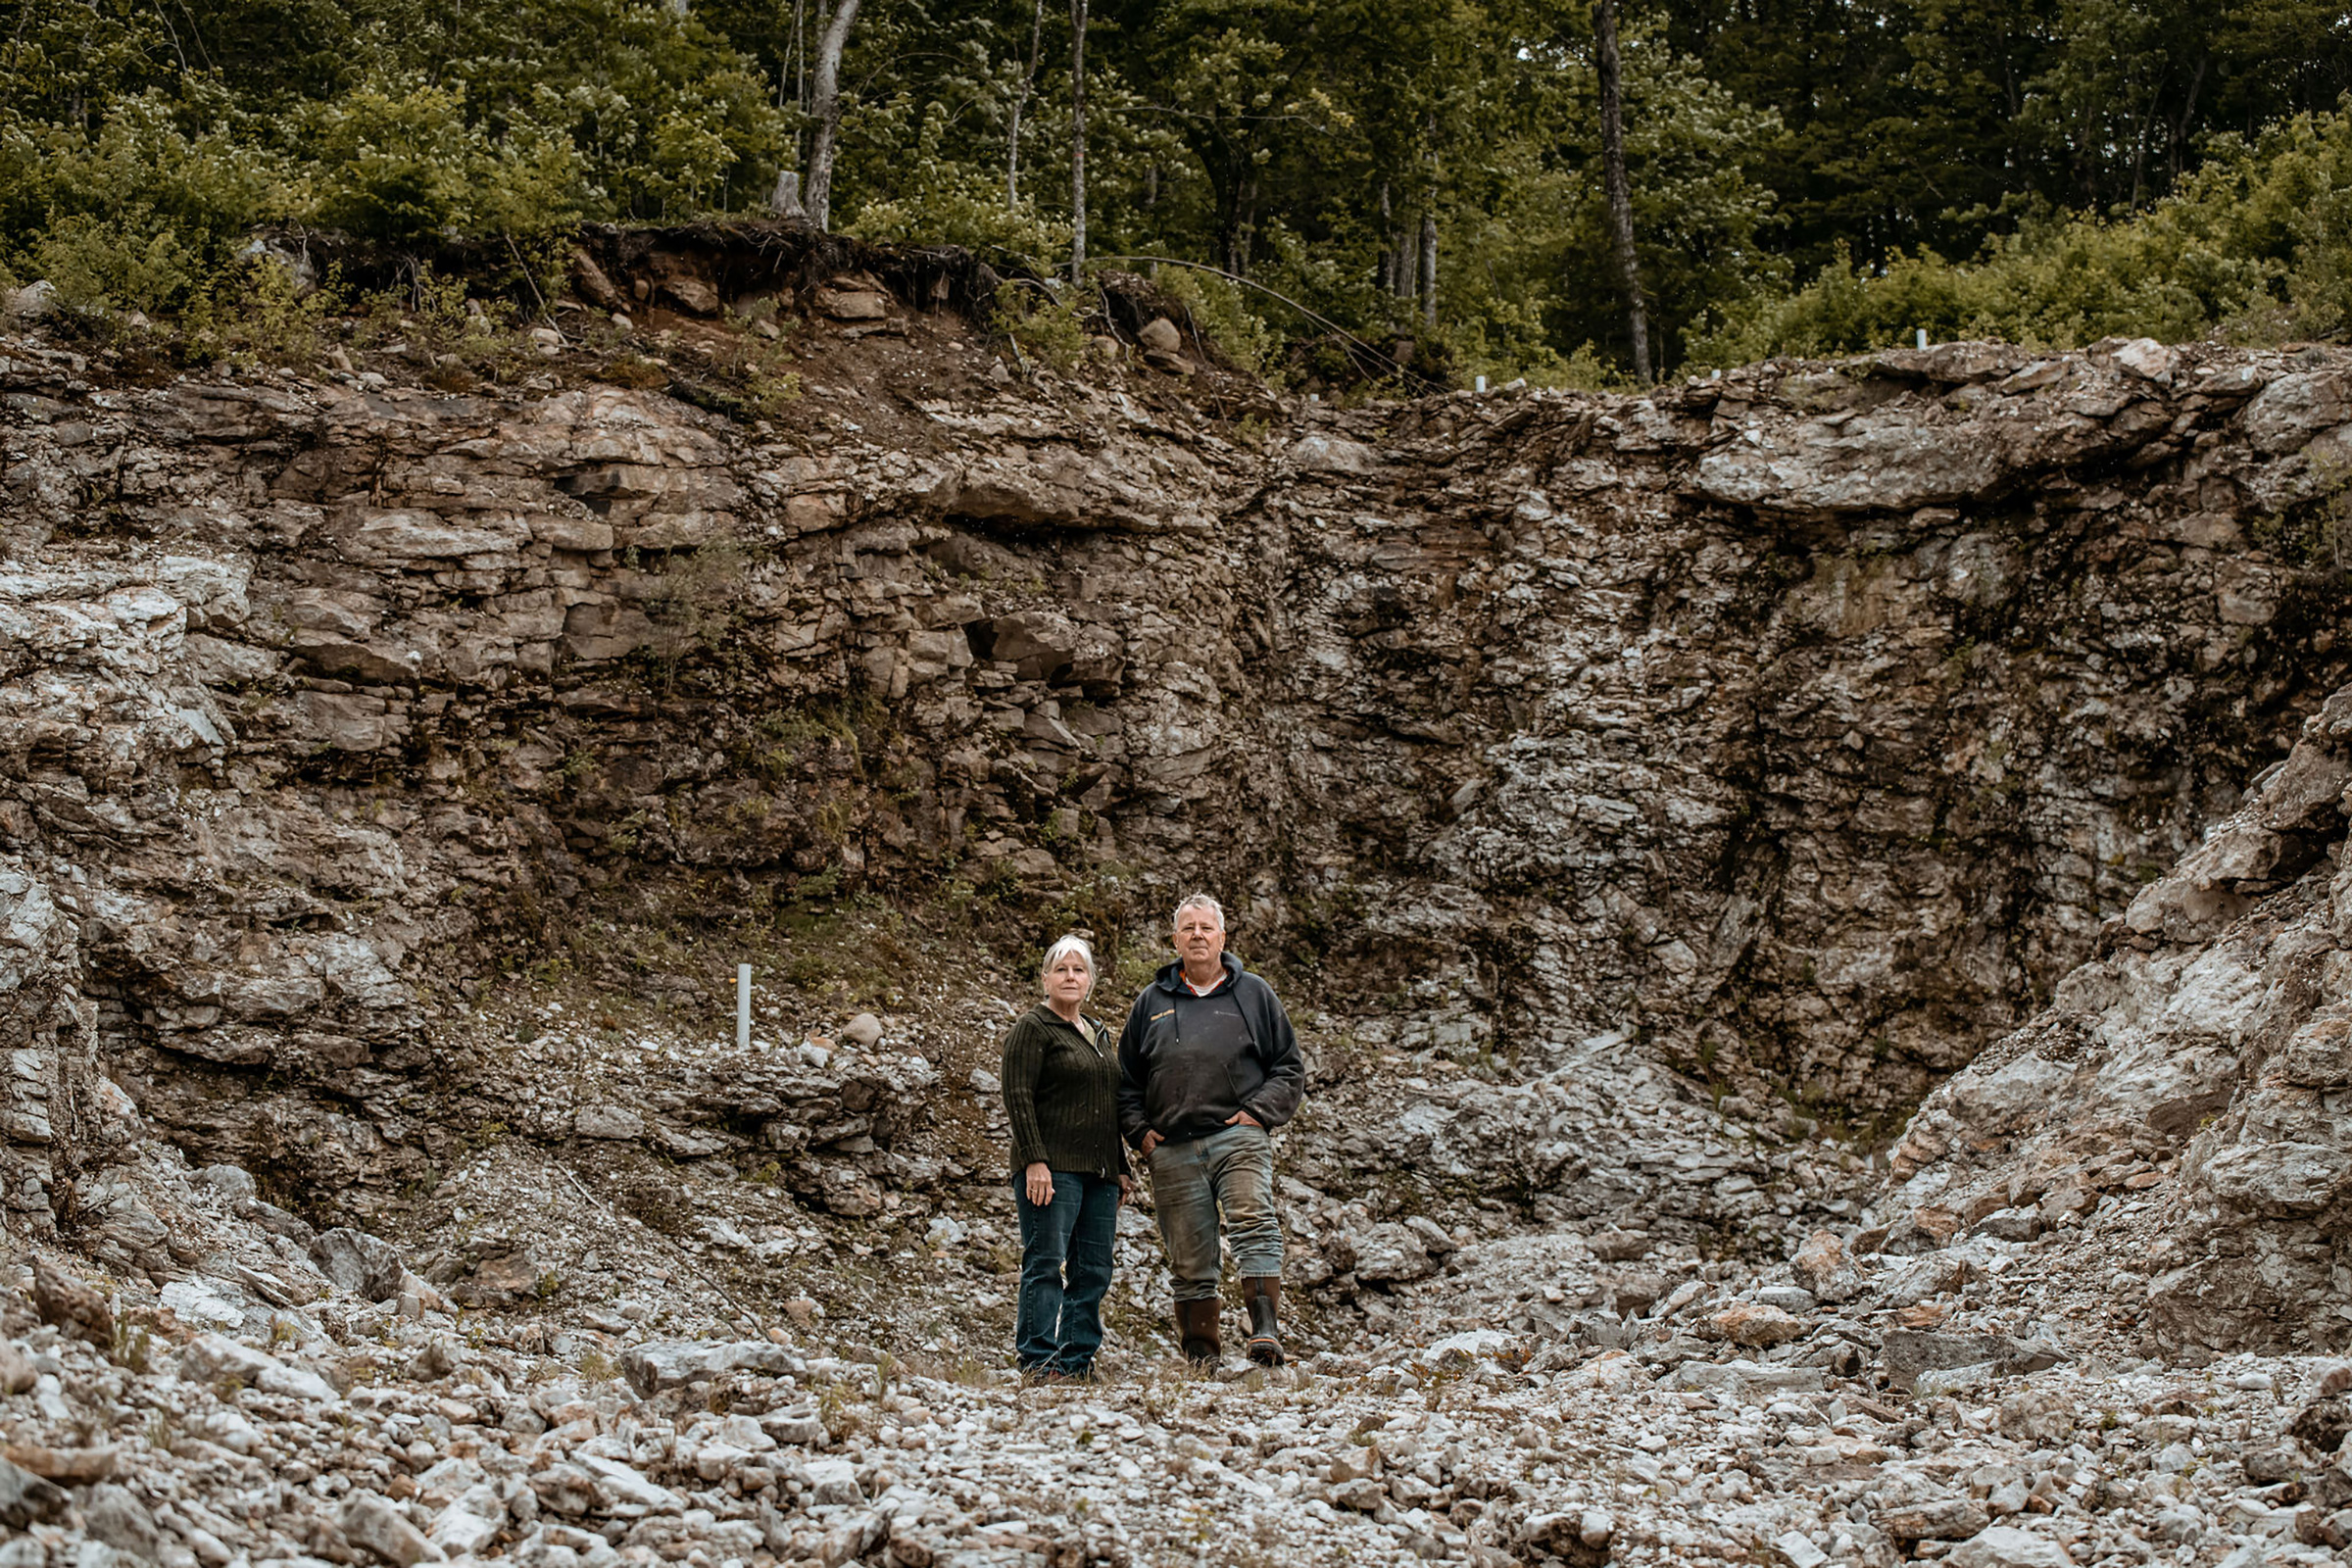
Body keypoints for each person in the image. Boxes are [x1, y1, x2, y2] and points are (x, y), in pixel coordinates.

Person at [1116, 893, 1306, 1367]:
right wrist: (1141, 1133)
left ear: (1222, 936)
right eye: (1188, 928)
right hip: (1173, 1148)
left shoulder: (1254, 994)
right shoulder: (1151, 1002)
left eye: (1206, 927)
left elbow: (1288, 1067)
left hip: (1237, 1135)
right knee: (1189, 1258)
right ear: (1175, 939)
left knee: (1253, 1222)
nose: (1197, 935)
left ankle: (1265, 1333)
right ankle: (1201, 1360)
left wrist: (1258, 1113)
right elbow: (1125, 1081)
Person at [1000, 933, 1131, 1383]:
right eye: (1061, 969)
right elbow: (1017, 1095)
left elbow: (1107, 1103)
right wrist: (1035, 1160)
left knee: (1093, 1270)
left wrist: (1121, 1167)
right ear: (1046, 979)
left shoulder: (1097, 1032)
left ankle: (1075, 1364)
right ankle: (1038, 1361)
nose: (1070, 977)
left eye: (1079, 969)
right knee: (1045, 1262)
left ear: (1091, 980)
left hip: (1099, 1173)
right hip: (1051, 1169)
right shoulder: (1032, 1028)